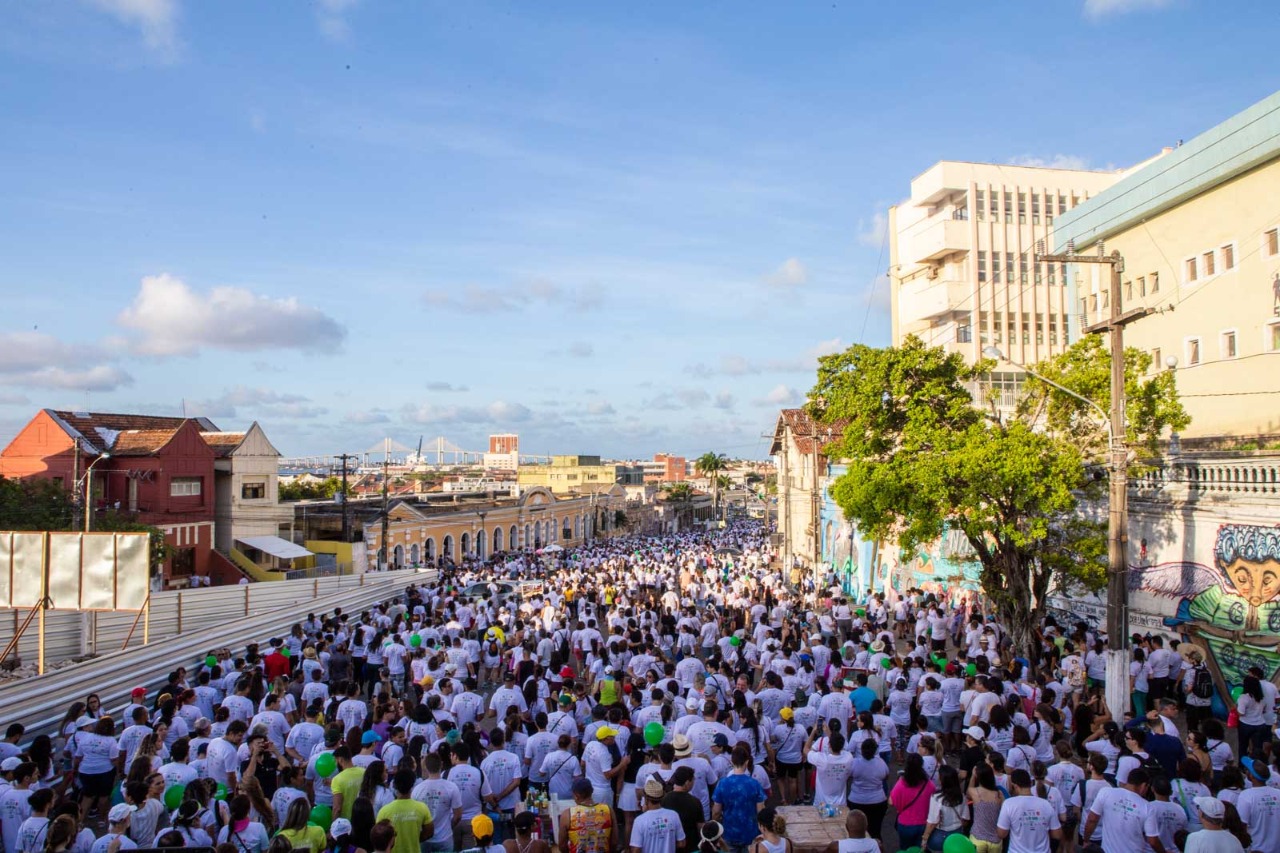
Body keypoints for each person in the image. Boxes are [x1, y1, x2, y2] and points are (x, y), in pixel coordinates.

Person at [711, 745, 765, 853]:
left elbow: (716, 812)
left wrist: (714, 826)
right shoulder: (754, 784)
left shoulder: (723, 784)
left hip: (729, 833)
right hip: (750, 833)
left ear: (732, 762)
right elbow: (761, 811)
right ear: (746, 762)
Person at [1082, 767, 1150, 853]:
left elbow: (1092, 819)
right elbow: (1152, 839)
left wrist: (1086, 840)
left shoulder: (1106, 792)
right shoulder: (1147, 806)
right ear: (1143, 785)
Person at [996, 768, 1062, 853]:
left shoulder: (1008, 804)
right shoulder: (1046, 804)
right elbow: (1057, 835)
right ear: (1030, 783)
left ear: (1015, 786)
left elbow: (1001, 834)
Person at [376, 769, 433, 853]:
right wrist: (415, 839)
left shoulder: (384, 811)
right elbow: (429, 832)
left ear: (394, 786)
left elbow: (379, 836)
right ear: (412, 786)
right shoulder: (422, 808)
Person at [889, 754, 935, 850]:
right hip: (923, 823)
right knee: (919, 849)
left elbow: (891, 801)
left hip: (905, 824)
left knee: (905, 849)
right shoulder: (928, 784)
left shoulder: (901, 783)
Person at [559, 778, 615, 853]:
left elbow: (562, 846)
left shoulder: (567, 814)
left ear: (576, 795)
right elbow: (614, 842)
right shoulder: (608, 810)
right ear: (592, 791)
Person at [1235, 759, 1280, 853]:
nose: (1246, 771)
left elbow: (1241, 825)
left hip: (1256, 849)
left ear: (1251, 776)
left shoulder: (1246, 795)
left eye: (1248, 770)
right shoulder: (1278, 793)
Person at [630, 778, 685, 853]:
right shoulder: (673, 815)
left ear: (646, 798)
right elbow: (681, 843)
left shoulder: (639, 821)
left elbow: (636, 850)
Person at [921, 765, 968, 853]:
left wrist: (925, 839)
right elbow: (965, 819)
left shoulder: (936, 798)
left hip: (939, 836)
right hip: (957, 834)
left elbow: (932, 822)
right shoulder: (962, 796)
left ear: (943, 781)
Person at [661, 766, 704, 845]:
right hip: (691, 845)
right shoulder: (695, 802)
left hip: (670, 844)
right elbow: (700, 828)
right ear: (687, 782)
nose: (693, 783)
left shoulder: (664, 800)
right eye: (693, 780)